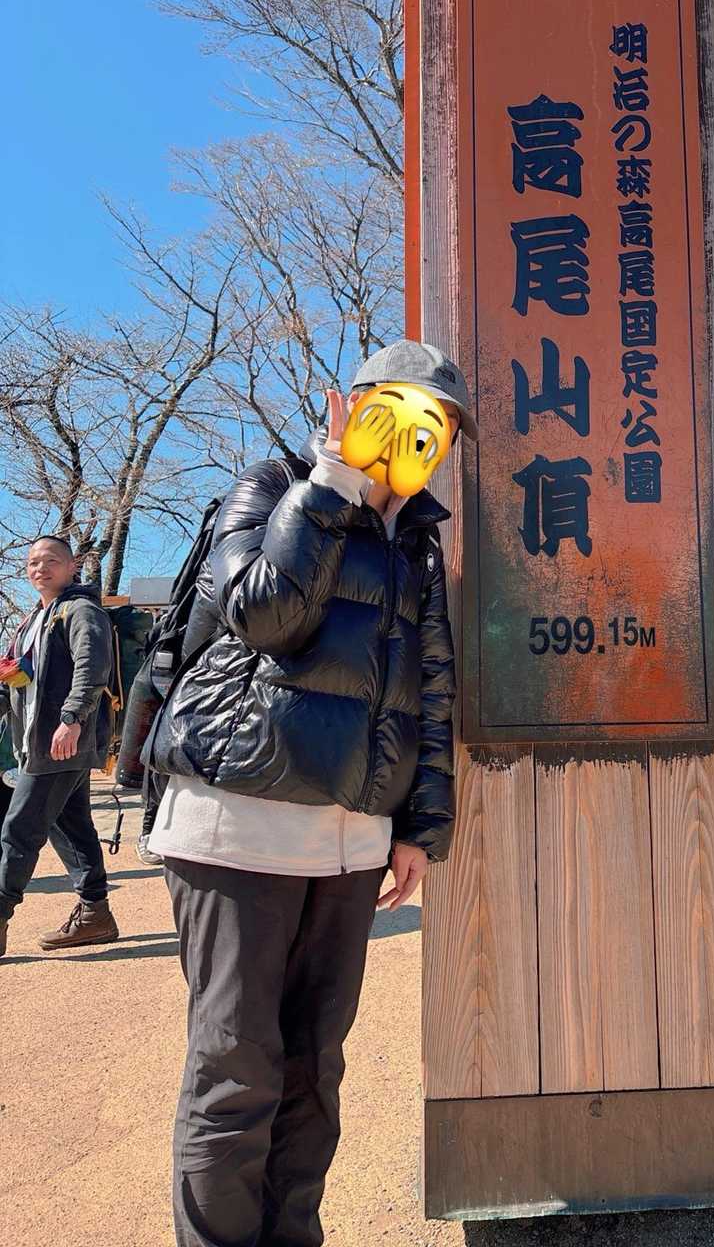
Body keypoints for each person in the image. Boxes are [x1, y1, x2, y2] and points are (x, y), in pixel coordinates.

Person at [145, 340, 473, 1247]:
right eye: (397, 411)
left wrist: (421, 826)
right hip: (235, 822)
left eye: (438, 426)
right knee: (235, 1067)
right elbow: (263, 615)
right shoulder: (273, 486)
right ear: (351, 407)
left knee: (314, 1071)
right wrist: (331, 485)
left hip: (350, 839)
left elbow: (430, 686)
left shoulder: (418, 540)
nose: (418, 436)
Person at [0, 535, 120, 958]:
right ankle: (95, 914)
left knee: (19, 829)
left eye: (51, 560)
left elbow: (92, 666)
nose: (40, 568)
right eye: (33, 562)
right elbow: (14, 678)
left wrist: (72, 719)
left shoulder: (81, 610)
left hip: (62, 741)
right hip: (38, 741)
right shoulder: (33, 620)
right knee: (69, 825)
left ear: (72, 566)